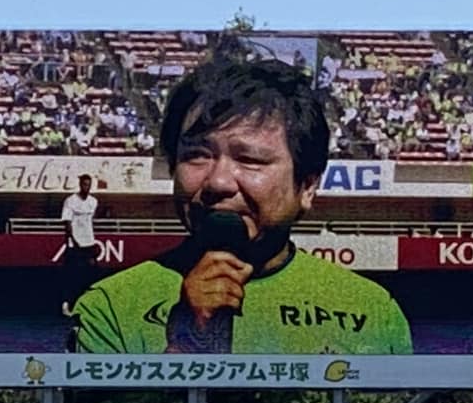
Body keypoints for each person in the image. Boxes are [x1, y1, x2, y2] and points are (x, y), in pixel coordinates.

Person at [72, 56, 413, 354]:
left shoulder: (372, 313)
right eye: (197, 155)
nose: (218, 182)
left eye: (249, 160)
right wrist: (186, 345)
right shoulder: (109, 308)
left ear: (307, 186)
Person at [61, 174, 99, 316]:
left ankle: (85, 306)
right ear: (80, 185)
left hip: (89, 244)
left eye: (88, 184)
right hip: (74, 245)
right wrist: (74, 241)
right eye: (84, 184)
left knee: (89, 276)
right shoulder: (70, 201)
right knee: (71, 275)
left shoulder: (93, 201)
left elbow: (90, 221)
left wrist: (92, 241)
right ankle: (66, 305)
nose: (86, 187)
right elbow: (67, 222)